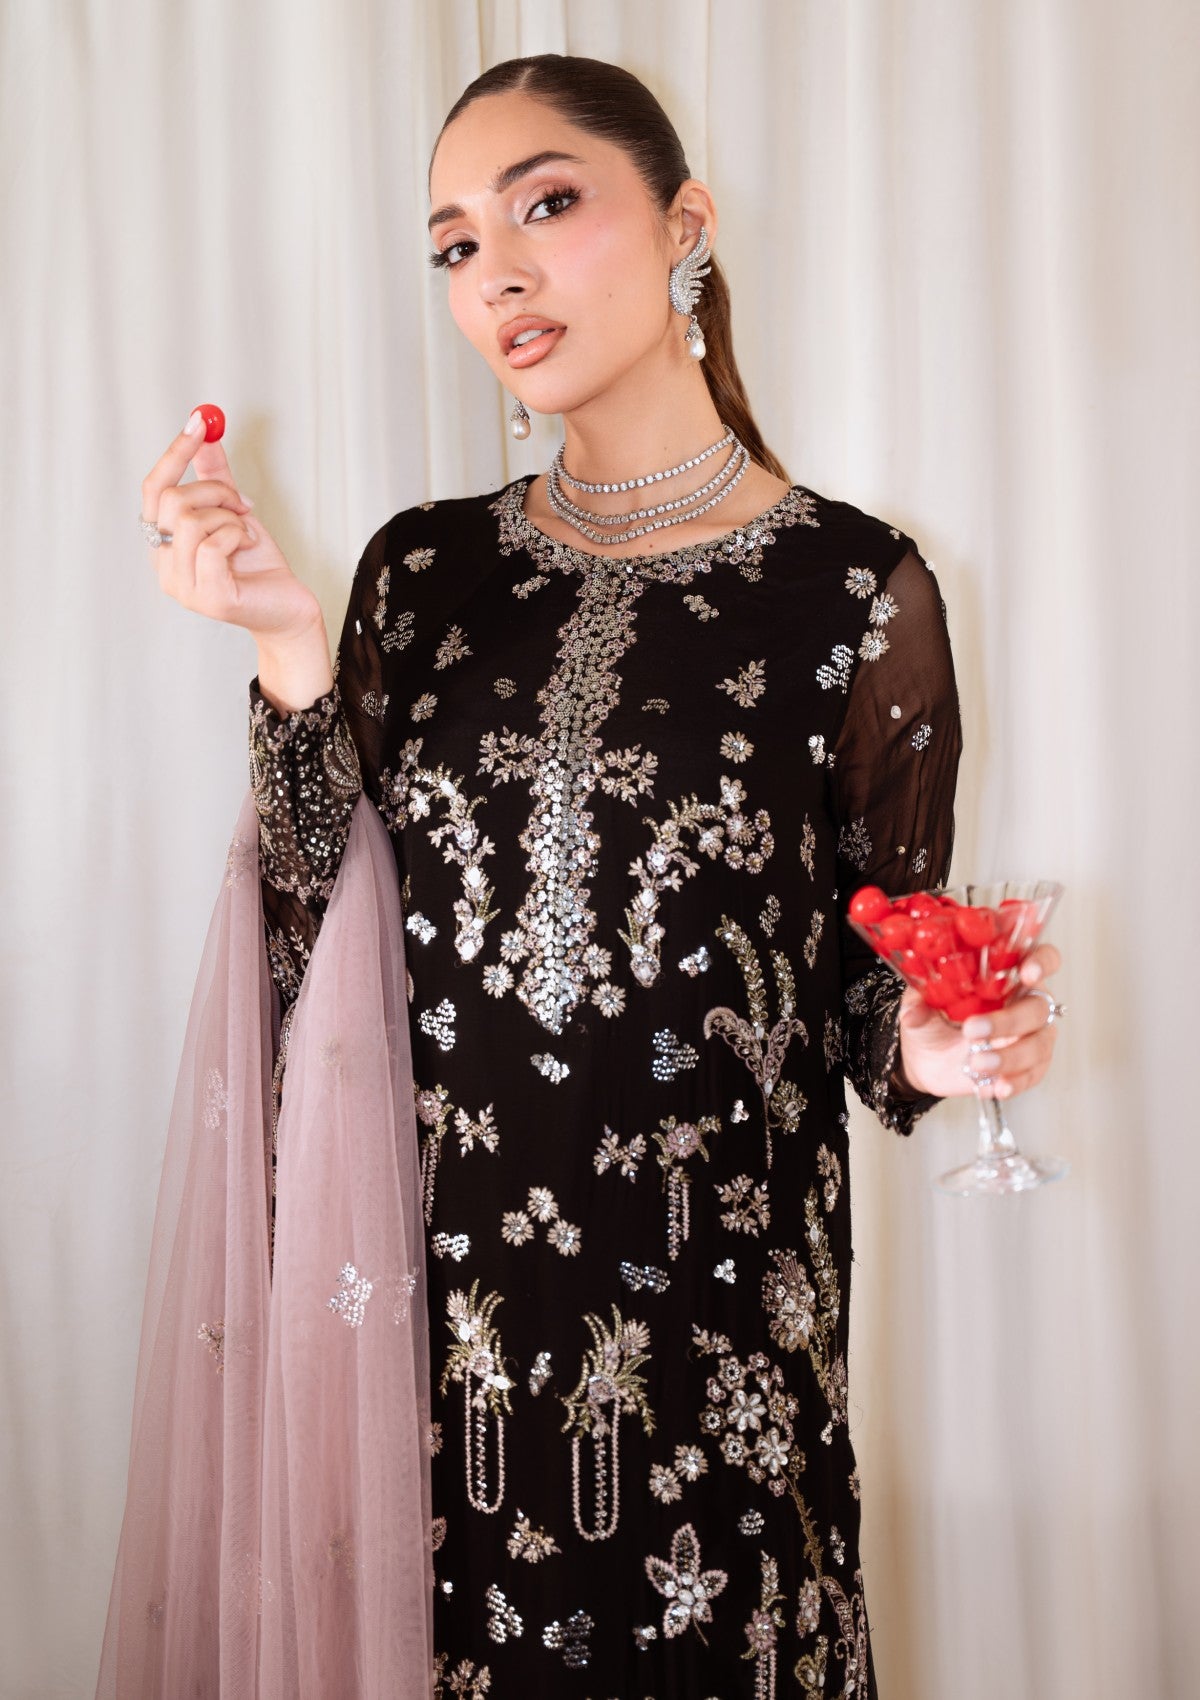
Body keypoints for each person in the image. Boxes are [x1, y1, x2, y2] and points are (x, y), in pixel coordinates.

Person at [132, 53, 1063, 1698]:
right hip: (438, 1342)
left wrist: (925, 1041)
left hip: (716, 1351)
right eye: (454, 244)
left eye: (546, 206)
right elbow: (308, 939)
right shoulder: (424, 573)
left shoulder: (857, 592)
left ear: (686, 222)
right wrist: (287, 647)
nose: (495, 273)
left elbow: (869, 976)